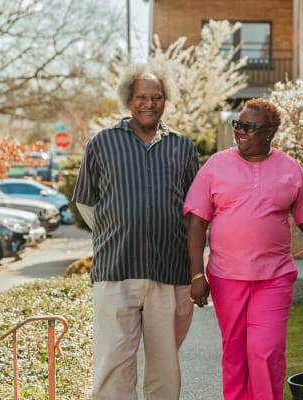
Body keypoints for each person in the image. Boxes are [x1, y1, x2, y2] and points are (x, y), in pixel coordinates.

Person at [183, 98, 303, 400]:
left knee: (265, 351)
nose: (239, 131)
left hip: (274, 276)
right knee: (235, 354)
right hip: (227, 277)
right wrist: (196, 275)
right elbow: (196, 222)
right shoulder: (216, 165)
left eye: (248, 127)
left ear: (269, 132)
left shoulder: (289, 168)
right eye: (237, 125)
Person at [72, 64, 199, 400]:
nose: (149, 103)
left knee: (165, 365)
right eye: (142, 96)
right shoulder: (102, 143)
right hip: (116, 270)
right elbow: (86, 203)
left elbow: (195, 211)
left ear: (165, 101)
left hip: (169, 271)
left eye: (157, 97)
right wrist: (118, 231)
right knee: (113, 360)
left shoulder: (183, 147)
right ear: (129, 99)